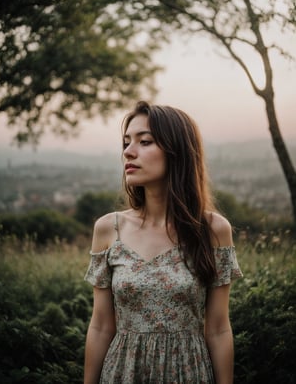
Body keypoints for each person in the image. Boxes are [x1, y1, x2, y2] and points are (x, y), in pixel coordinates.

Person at [84, 101, 243, 384]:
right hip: (123, 373)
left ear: (177, 151)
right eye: (126, 142)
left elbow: (218, 329)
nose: (128, 152)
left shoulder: (213, 230)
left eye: (145, 142)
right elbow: (100, 326)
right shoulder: (109, 229)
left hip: (188, 373)